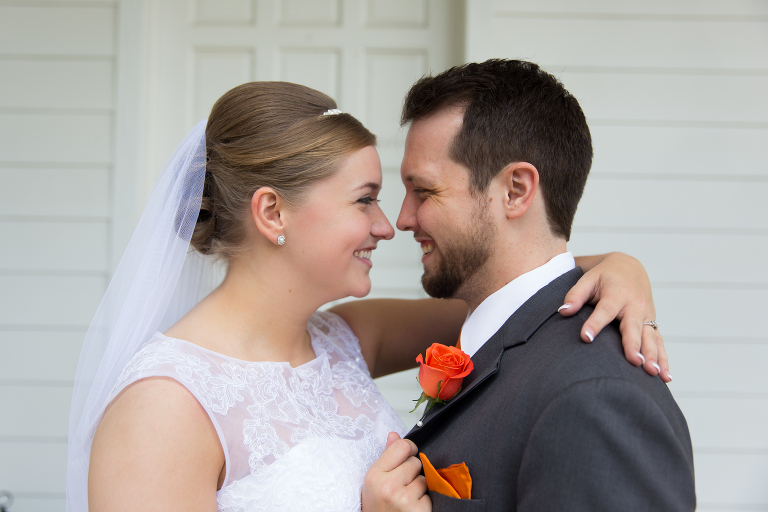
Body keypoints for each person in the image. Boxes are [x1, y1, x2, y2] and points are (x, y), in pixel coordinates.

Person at [68, 81, 667, 512]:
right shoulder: (162, 409)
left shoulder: (351, 335)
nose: (390, 225)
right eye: (365, 199)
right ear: (272, 211)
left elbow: (516, 292)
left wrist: (622, 267)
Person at [363, 59, 695, 511]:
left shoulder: (596, 395)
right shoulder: (507, 339)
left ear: (516, 190)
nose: (402, 219)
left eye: (424, 191)